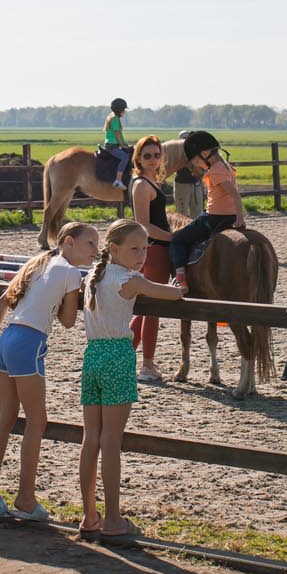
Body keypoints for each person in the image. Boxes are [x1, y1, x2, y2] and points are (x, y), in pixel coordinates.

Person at [0, 221, 95, 521]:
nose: (95, 250)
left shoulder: (36, 263)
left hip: (6, 340)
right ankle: (25, 498)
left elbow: (3, 301)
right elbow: (67, 322)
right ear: (68, 242)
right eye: (90, 243)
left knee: (6, 415)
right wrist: (76, 294)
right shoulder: (69, 272)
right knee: (37, 421)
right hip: (30, 343)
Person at [77, 220, 187, 541]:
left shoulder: (93, 279)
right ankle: (112, 518)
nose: (141, 256)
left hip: (92, 355)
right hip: (118, 358)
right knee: (111, 442)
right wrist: (180, 286)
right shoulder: (129, 280)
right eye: (134, 249)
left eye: (145, 250)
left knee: (91, 439)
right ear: (113, 249)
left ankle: (89, 515)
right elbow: (170, 295)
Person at [126, 136, 173, 384]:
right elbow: (143, 226)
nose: (153, 160)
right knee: (152, 309)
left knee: (145, 310)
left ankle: (124, 358)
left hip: (157, 247)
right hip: (155, 249)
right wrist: (173, 237)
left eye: (156, 155)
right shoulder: (142, 185)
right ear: (138, 159)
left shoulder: (150, 182)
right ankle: (146, 365)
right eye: (148, 156)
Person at [169, 131, 242, 288]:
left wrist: (240, 219)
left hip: (214, 218)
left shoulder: (215, 170)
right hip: (228, 216)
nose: (195, 164)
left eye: (195, 160)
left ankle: (180, 279)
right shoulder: (226, 166)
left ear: (205, 153)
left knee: (177, 239)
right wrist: (238, 217)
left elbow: (235, 194)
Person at [171, 129, 205, 221]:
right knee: (182, 211)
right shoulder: (176, 152)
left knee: (198, 210)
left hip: (195, 183)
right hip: (182, 184)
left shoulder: (195, 151)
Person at [101, 98, 132, 183]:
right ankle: (118, 180)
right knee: (125, 157)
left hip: (113, 144)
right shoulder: (114, 118)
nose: (124, 112)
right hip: (112, 146)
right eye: (123, 109)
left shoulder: (112, 116)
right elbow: (117, 134)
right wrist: (122, 145)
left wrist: (125, 144)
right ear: (119, 110)